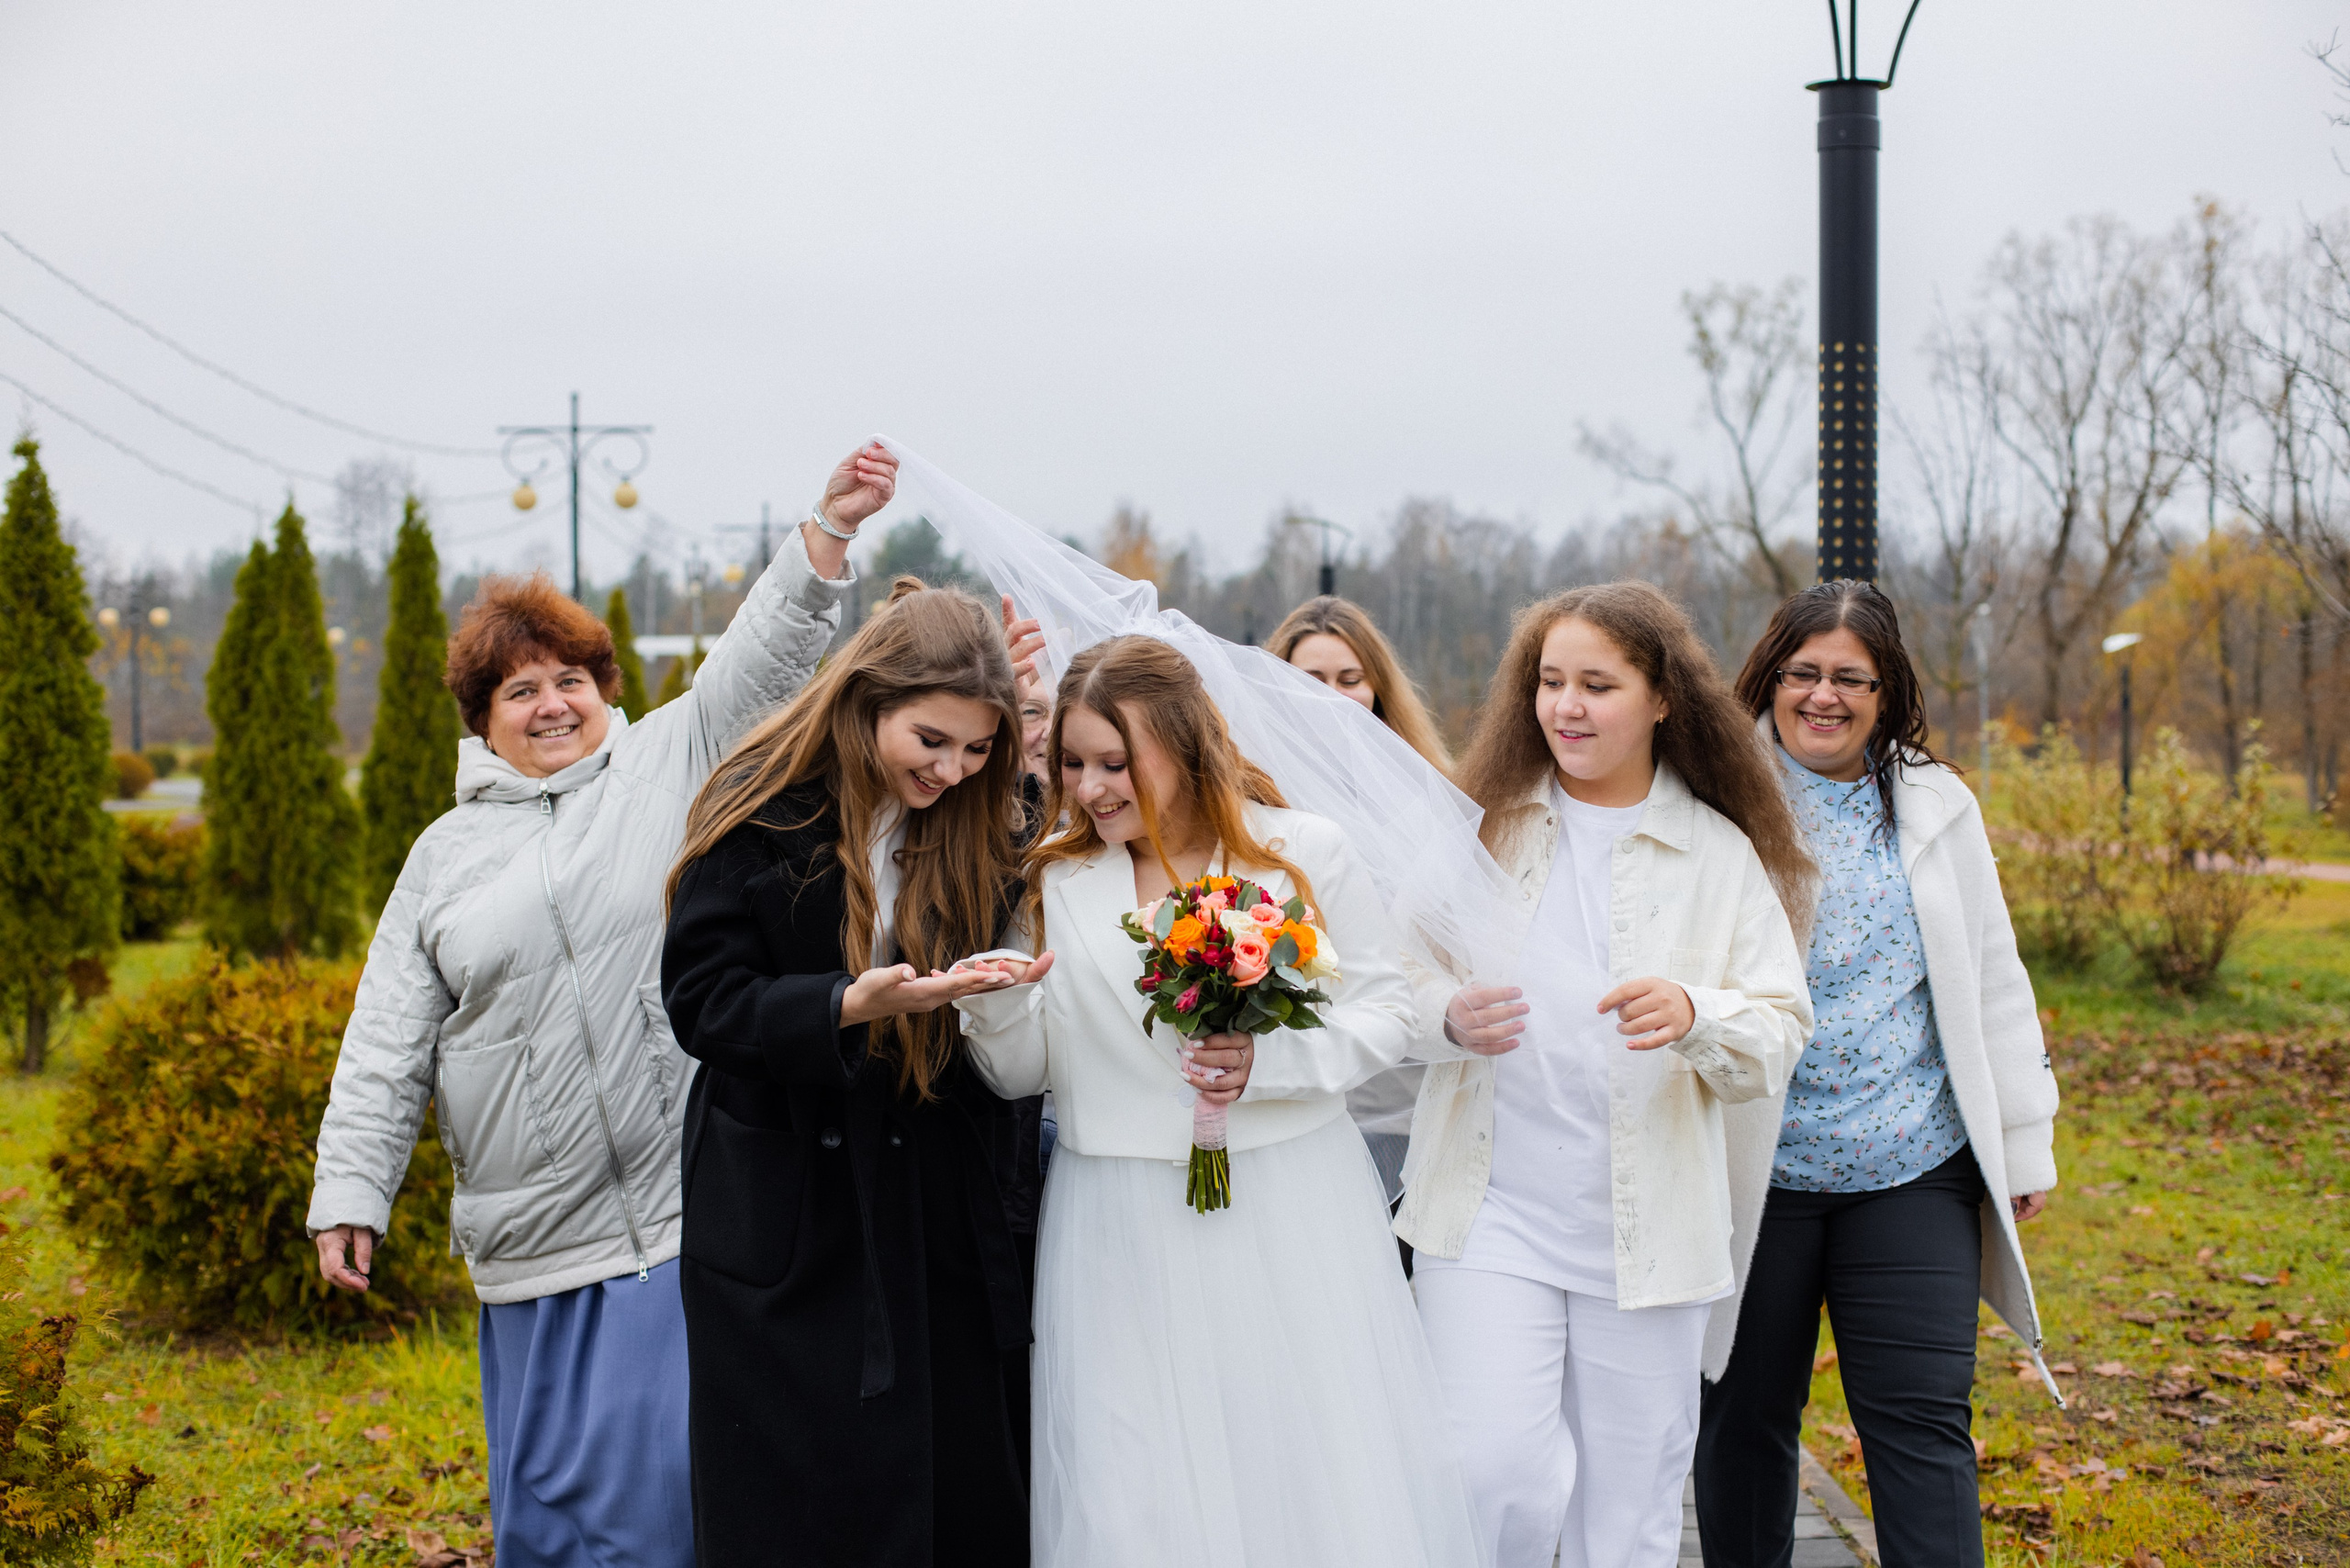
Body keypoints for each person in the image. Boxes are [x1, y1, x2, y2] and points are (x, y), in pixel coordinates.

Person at [307, 442, 895, 1568]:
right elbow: (386, 1039)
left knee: (657, 1512)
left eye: (571, 679)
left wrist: (827, 530)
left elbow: (763, 655)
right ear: (481, 719)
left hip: (677, 1218)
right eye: (520, 689)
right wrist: (351, 1192)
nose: (552, 704)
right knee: (545, 1520)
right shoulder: (441, 857)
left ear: (605, 688)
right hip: (528, 1234)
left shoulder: (672, 758)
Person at [949, 634, 1483, 1568]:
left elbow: (1388, 1012)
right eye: (1071, 763)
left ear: (1184, 744)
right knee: (1130, 1494)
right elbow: (1025, 1071)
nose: (1089, 788)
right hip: (1113, 1219)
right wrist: (992, 1005)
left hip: (1286, 1201)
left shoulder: (1298, 853)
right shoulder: (1057, 878)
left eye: (1115, 763)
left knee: (1299, 1469)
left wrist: (1264, 1065)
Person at [1398, 582, 1816, 1568]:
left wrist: (1696, 1013)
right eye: (1550, 682)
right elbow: (1394, 982)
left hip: (1648, 1233)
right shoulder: (1482, 829)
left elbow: (1779, 1028)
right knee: (1488, 1474)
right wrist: (1444, 1015)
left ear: (1662, 697)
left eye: (1597, 684)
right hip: (1487, 1215)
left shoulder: (1715, 852)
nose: (1566, 707)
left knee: (1626, 1516)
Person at [659, 579, 1039, 1568]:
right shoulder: (762, 806)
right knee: (797, 1495)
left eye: (978, 747)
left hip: (938, 1188)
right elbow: (701, 999)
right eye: (931, 740)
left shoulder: (996, 817)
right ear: (868, 700)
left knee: (955, 1484)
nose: (952, 770)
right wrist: (839, 1006)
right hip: (786, 1199)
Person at [1695, 580, 2060, 1568]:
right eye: (1802, 673)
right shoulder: (1712, 797)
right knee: (1741, 1420)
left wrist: (2022, 1139)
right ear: (1769, 680)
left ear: (1887, 692)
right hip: (1753, 1173)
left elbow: (1992, 975)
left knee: (1923, 1424)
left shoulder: (1938, 804)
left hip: (1911, 1169)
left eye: (1850, 678)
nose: (1823, 695)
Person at [1269, 596, 1451, 1224]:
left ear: (1377, 690)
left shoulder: (1424, 794)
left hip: (1398, 1072)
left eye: (1351, 679)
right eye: (1311, 678)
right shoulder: (1247, 791)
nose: (1333, 697)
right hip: (1284, 1061)